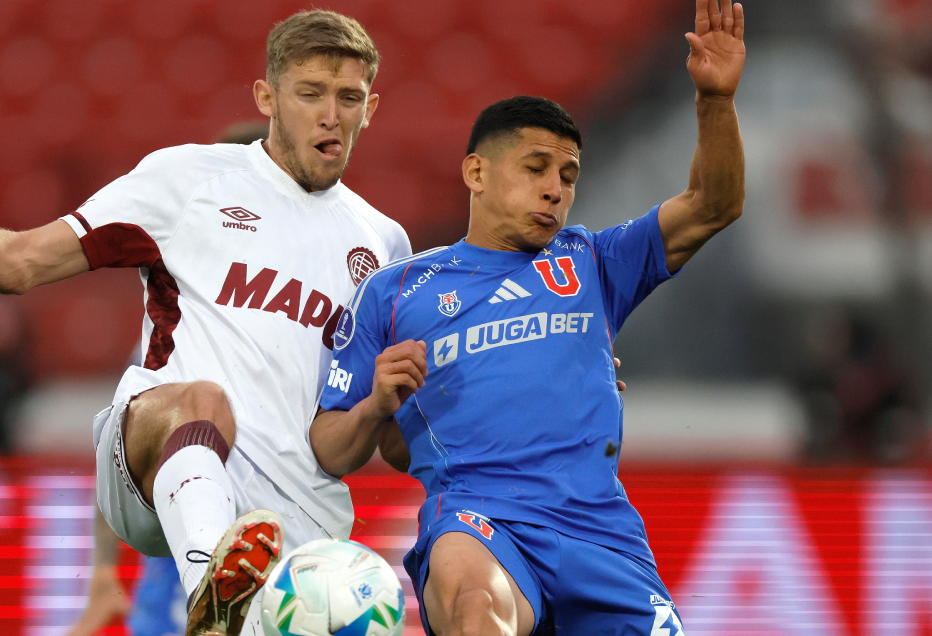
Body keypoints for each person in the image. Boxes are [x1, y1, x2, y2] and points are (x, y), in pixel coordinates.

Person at [0, 11, 410, 636]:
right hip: (155, 457)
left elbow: (372, 440)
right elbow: (18, 263)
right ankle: (213, 601)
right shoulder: (188, 180)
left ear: (371, 108)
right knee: (201, 399)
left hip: (300, 526)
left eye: (348, 98)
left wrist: (403, 406)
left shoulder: (384, 246)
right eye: (310, 93)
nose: (331, 114)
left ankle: (231, 606)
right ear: (266, 97)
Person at [311, 1, 746, 634]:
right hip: (479, 519)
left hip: (600, 531)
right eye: (536, 168)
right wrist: (378, 404)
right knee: (476, 608)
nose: (556, 189)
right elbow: (332, 447)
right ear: (476, 173)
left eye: (568, 175)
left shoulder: (594, 262)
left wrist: (714, 101)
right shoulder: (395, 291)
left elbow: (715, 203)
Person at [64, 118, 271, 636]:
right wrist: (105, 577)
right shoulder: (169, 336)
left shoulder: (309, 328)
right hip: (167, 605)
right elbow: (114, 454)